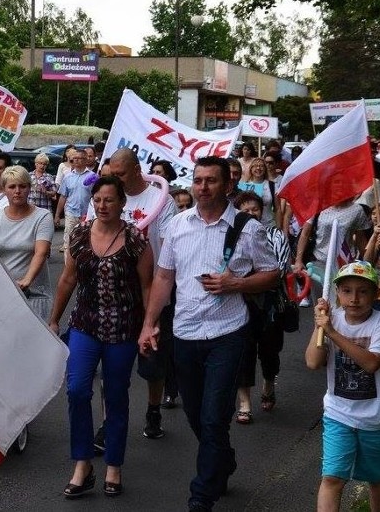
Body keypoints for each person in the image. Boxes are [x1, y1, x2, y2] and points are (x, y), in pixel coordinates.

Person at [139, 156, 279, 512]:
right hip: (185, 332)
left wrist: (237, 283)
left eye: (211, 181)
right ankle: (223, 460)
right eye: (198, 181)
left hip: (227, 333)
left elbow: (271, 273)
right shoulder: (178, 225)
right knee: (196, 416)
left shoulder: (248, 228)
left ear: (226, 185)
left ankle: (202, 494)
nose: (203, 187)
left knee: (214, 416)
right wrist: (149, 323)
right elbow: (164, 277)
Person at [48, 175, 154, 499]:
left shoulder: (136, 239)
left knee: (116, 397)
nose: (102, 205)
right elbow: (67, 279)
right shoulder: (80, 235)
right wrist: (54, 320)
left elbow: (148, 285)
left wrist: (150, 325)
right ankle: (83, 463)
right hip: (85, 325)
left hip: (123, 329)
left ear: (122, 203)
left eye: (109, 199)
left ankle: (113, 465)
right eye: (98, 199)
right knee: (78, 390)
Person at [87, 148, 177, 441]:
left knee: (152, 359)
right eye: (112, 173)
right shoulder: (104, 197)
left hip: (151, 288)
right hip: (112, 292)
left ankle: (153, 408)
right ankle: (107, 421)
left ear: (138, 170)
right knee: (111, 363)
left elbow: (167, 245)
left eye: (121, 174)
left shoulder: (161, 200)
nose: (116, 179)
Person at [306, 261, 380, 512]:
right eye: (347, 290)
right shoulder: (332, 321)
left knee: (378, 480)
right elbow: (313, 362)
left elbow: (372, 363)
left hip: (374, 418)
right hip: (338, 415)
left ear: (375, 293)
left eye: (363, 291)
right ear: (337, 293)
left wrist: (332, 332)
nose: (354, 298)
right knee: (331, 478)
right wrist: (320, 327)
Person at [232, 192, 290, 424]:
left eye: (254, 209)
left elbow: (279, 270)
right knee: (242, 351)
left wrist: (252, 276)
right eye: (245, 210)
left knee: (269, 350)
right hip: (239, 302)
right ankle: (244, 403)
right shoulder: (230, 236)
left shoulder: (276, 236)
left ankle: (268, 384)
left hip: (270, 305)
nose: (251, 214)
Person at [0, 166, 55, 322]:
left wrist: (26, 280)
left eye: (22, 186)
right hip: (2, 294)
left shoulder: (43, 216)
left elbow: (40, 252)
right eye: (12, 186)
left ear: (29, 188)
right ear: (4, 190)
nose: (17, 191)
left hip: (34, 295)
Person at [55, 149, 94, 253]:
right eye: (74, 159)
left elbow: (96, 196)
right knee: (68, 242)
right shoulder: (68, 177)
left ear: (86, 160)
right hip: (71, 213)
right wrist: (57, 215)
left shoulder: (93, 177)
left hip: (87, 215)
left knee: (86, 242)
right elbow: (63, 197)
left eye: (79, 158)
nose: (76, 161)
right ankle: (68, 266)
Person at [242, 157, 278, 227]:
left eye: (261, 166)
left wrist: (279, 228)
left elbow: (278, 209)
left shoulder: (272, 185)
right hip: (250, 226)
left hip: (269, 225)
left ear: (265, 169)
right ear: (251, 169)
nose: (258, 168)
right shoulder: (245, 186)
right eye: (255, 166)